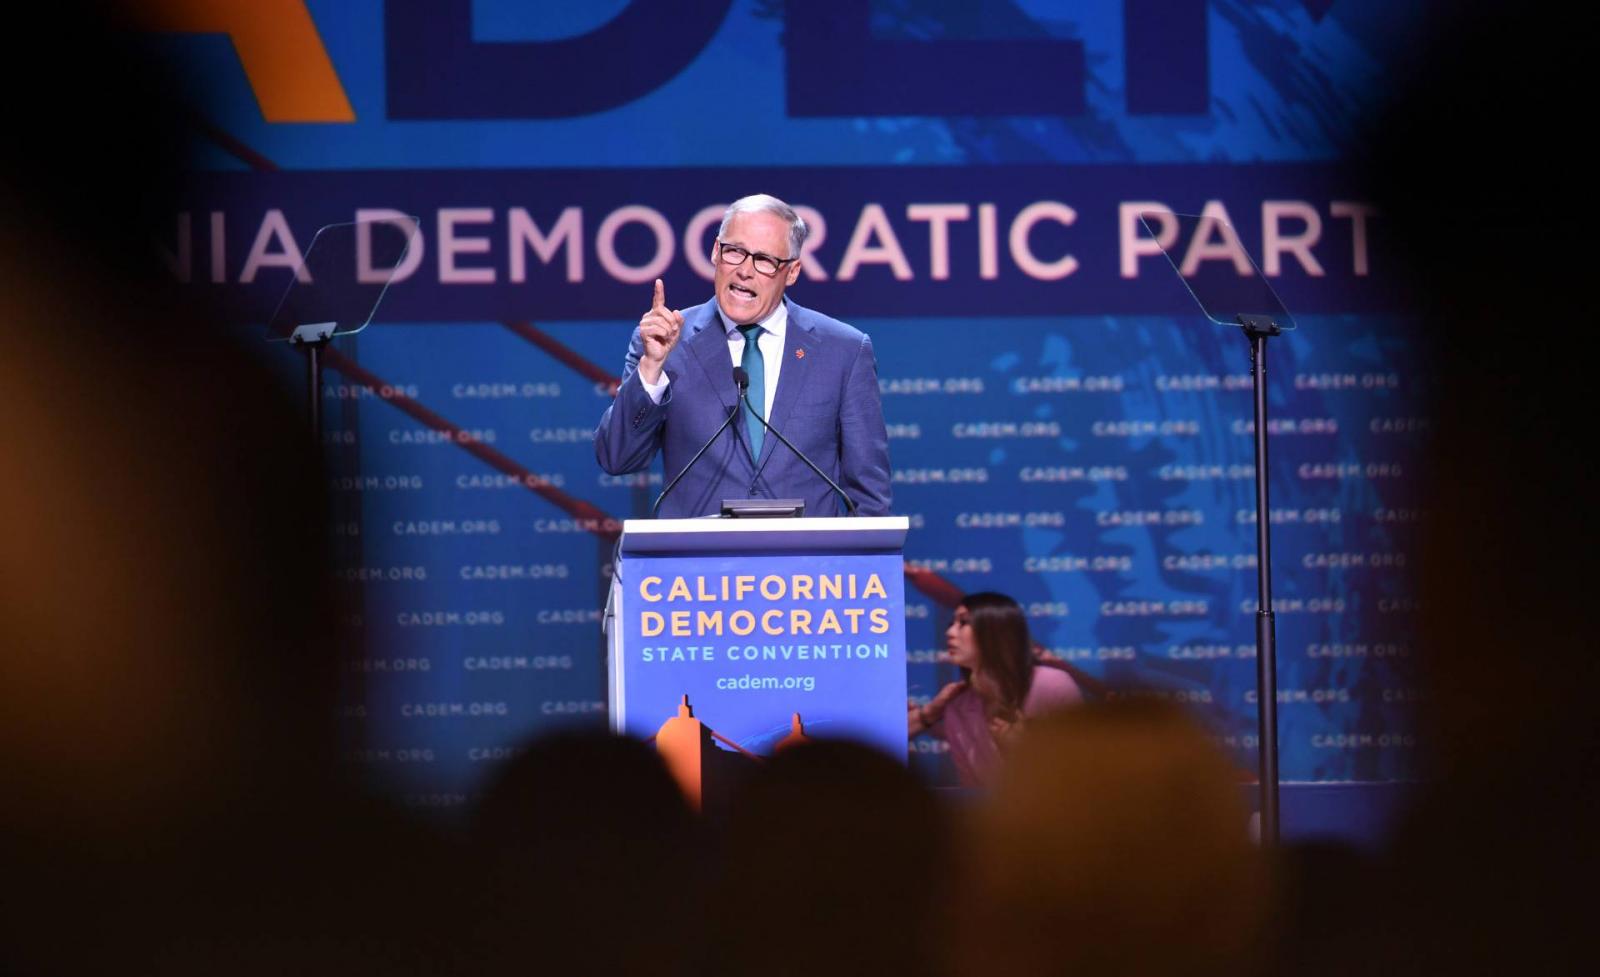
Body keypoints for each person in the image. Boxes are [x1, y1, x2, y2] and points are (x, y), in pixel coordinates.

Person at [594, 193, 892, 517]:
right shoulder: (665, 343)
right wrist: (651, 369)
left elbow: (869, 500)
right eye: (735, 252)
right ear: (715, 252)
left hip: (806, 565)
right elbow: (617, 458)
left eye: (764, 260)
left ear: (791, 272)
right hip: (697, 565)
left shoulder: (843, 351)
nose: (745, 271)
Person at [909, 592, 1082, 786]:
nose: (950, 632)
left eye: (963, 623)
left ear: (995, 630)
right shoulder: (957, 708)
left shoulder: (1053, 685)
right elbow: (973, 792)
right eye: (951, 624)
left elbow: (1081, 773)